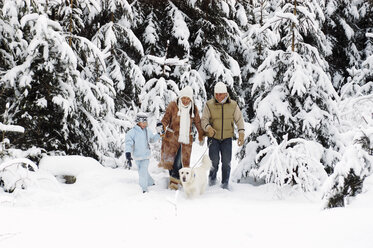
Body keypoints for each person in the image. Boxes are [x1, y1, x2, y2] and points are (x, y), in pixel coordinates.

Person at [158, 86, 205, 190]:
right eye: (183, 98)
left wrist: (201, 134)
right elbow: (166, 119)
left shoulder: (193, 108)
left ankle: (174, 183)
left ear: (191, 99)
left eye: (188, 99)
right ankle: (175, 179)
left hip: (186, 140)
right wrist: (161, 126)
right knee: (170, 162)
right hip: (172, 138)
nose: (185, 101)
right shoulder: (173, 106)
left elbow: (198, 122)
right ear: (180, 97)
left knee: (180, 162)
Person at [201, 82, 245, 190]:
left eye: (221, 94)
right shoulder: (209, 104)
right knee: (214, 162)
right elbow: (204, 120)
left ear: (226, 94)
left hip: (227, 138)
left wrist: (241, 133)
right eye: (216, 94)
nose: (218, 97)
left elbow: (239, 119)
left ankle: (225, 184)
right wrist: (208, 128)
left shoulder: (233, 105)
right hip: (213, 138)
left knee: (226, 162)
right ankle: (212, 182)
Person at [125, 112, 163, 193]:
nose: (145, 124)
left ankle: (144, 189)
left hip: (145, 156)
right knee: (143, 171)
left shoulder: (147, 131)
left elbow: (152, 139)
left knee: (142, 172)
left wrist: (159, 134)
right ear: (138, 122)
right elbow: (128, 143)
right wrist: (128, 154)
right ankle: (150, 182)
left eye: (146, 122)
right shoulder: (132, 132)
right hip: (137, 156)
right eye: (143, 122)